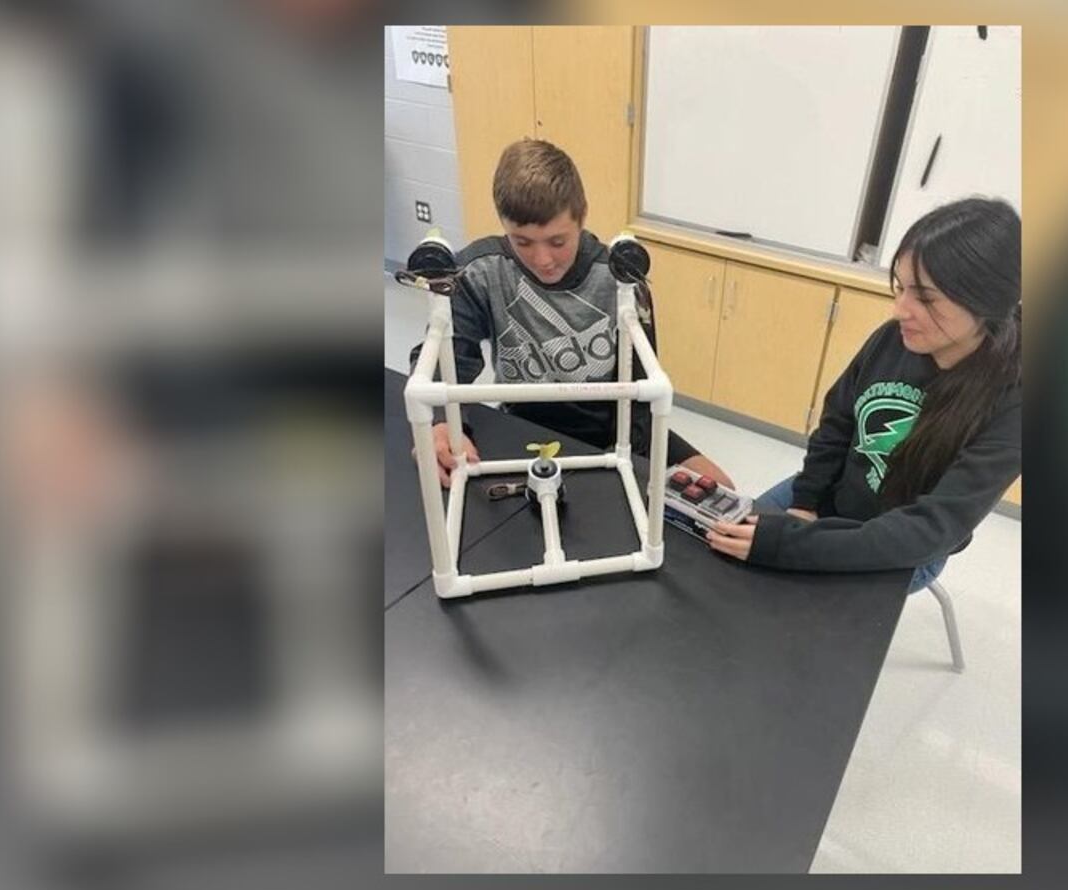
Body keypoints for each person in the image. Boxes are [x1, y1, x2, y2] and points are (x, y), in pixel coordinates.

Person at [708, 198, 1022, 593]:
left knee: (794, 616)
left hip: (905, 546)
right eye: (901, 288)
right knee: (722, 559)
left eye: (925, 298)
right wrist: (805, 503)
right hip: (831, 495)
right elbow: (837, 423)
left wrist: (795, 544)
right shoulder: (894, 340)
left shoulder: (1013, 399)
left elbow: (931, 529)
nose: (900, 310)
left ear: (987, 303)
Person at [408, 138, 732, 488]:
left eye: (557, 241)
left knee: (720, 490)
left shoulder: (620, 276)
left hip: (613, 425)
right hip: (525, 421)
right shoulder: (479, 272)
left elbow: (642, 391)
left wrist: (626, 462)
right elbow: (446, 355)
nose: (543, 260)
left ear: (581, 217)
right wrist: (440, 423)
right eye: (523, 242)